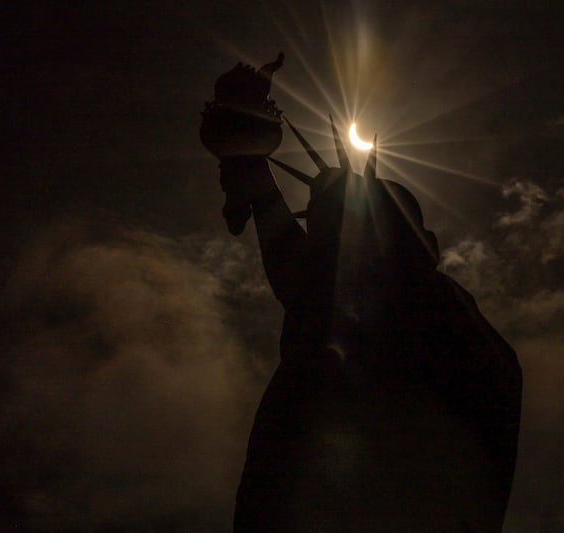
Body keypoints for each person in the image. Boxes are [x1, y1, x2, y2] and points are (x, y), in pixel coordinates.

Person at [201, 55, 522, 532]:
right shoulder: (437, 318)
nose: (318, 243)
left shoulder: (399, 309)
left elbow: (306, 276)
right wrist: (249, 167)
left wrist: (249, 166)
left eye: (331, 226)